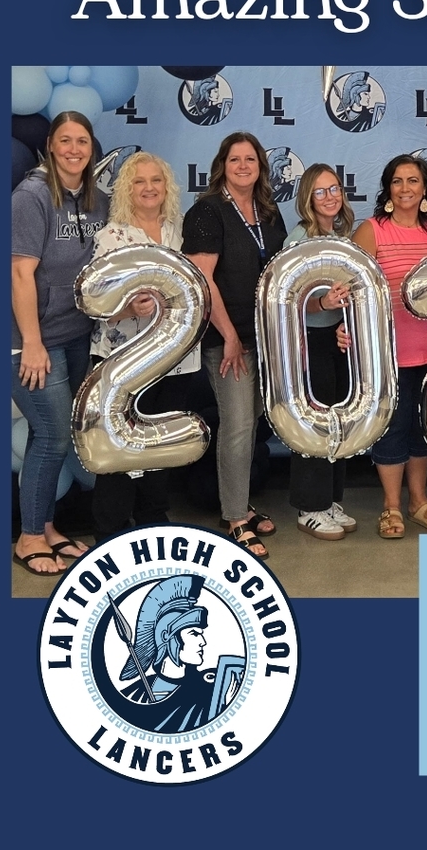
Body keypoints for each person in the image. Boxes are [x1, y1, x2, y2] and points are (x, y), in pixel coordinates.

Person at [12, 111, 109, 575]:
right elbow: (19, 273)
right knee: (51, 434)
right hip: (31, 339)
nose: (74, 149)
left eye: (83, 142)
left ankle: (46, 526)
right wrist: (31, 342)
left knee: (52, 433)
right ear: (50, 144)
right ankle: (29, 537)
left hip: (74, 332)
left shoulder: (95, 199)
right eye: (66, 141)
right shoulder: (31, 196)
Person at [182, 132, 287, 558]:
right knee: (239, 425)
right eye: (234, 159)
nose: (243, 166)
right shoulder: (208, 211)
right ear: (221, 165)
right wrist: (228, 336)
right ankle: (236, 520)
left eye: (250, 159)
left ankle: (239, 501)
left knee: (254, 422)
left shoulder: (267, 210)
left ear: (260, 165)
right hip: (227, 339)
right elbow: (202, 280)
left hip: (267, 337)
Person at [87, 151, 195, 543]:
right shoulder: (112, 236)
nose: (149, 188)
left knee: (159, 440)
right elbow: (94, 302)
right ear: (126, 189)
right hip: (123, 358)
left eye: (156, 180)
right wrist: (127, 306)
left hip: (174, 358)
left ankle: (152, 518)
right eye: (139, 181)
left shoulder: (180, 231)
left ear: (167, 187)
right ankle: (110, 528)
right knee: (119, 442)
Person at [352, 155, 427, 538]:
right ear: (388, 188)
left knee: (421, 428)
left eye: (413, 181)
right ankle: (391, 506)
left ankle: (419, 501)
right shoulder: (372, 230)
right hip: (388, 353)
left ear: (425, 188)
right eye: (398, 181)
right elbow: (353, 290)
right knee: (392, 427)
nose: (406, 188)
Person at [283, 164, 357, 540]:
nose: (329, 197)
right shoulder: (299, 239)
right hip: (306, 343)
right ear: (307, 199)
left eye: (334, 189)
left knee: (338, 419)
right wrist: (324, 304)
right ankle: (309, 507)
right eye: (320, 191)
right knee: (314, 421)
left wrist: (344, 319)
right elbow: (289, 299)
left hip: (336, 340)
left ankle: (329, 499)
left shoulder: (341, 235)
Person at [98, 575, 243, 733]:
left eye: (201, 634)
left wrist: (226, 706)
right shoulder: (135, 694)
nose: (203, 641)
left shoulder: (213, 687)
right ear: (167, 637)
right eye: (194, 633)